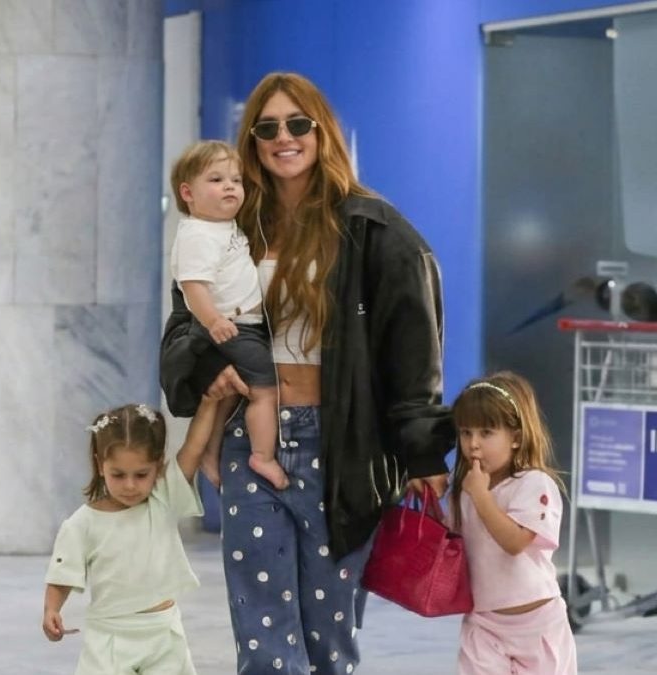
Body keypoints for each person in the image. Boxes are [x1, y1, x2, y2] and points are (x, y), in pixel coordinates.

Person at [160, 72, 454, 674]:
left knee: (329, 637)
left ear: (323, 133)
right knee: (262, 636)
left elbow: (413, 348)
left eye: (298, 123)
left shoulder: (372, 228)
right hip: (253, 440)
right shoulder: (230, 226)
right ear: (251, 140)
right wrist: (210, 369)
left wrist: (424, 452)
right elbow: (183, 325)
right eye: (266, 127)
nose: (283, 137)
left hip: (340, 445)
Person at [42, 399, 217, 675]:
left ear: (158, 466)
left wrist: (208, 403)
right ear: (100, 465)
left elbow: (193, 448)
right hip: (109, 637)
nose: (130, 485)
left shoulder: (163, 499)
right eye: (118, 475)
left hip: (162, 635)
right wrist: (52, 609)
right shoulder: (81, 524)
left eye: (141, 474)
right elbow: (62, 574)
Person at [169, 140, 286, 490]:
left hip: (238, 324)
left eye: (236, 180)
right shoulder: (198, 235)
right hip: (232, 326)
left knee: (232, 389)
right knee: (266, 389)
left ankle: (210, 449)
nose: (230, 187)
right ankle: (262, 456)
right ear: (187, 193)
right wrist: (214, 321)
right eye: (217, 180)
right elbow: (193, 286)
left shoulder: (221, 226)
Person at [448, 371, 577, 675]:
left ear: (516, 438)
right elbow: (451, 542)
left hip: (539, 626)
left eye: (486, 432)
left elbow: (515, 542)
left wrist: (481, 496)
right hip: (484, 624)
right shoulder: (466, 489)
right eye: (466, 432)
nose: (473, 444)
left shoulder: (534, 484)